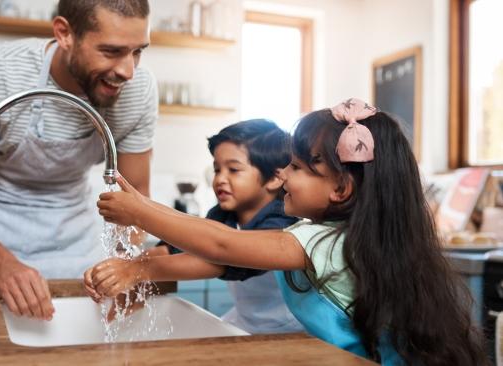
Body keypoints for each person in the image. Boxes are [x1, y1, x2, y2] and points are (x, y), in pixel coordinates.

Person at [92, 99, 488, 365]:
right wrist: (141, 255)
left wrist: (140, 211)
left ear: (340, 189)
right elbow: (210, 238)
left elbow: (220, 245)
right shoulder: (337, 235)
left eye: (297, 168)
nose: (284, 176)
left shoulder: (317, 240)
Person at [0, 0, 157, 321]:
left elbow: (136, 195)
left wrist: (124, 265)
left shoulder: (138, 90)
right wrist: (0, 264)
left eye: (138, 51)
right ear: (64, 33)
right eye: (111, 51)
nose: (128, 71)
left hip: (81, 249)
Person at [85, 119, 303, 334]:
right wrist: (119, 268)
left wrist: (136, 270)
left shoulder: (282, 219)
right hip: (245, 323)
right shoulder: (223, 214)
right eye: (217, 169)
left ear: (276, 178)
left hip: (292, 331)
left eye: (233, 170)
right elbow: (177, 247)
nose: (220, 179)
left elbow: (220, 259)